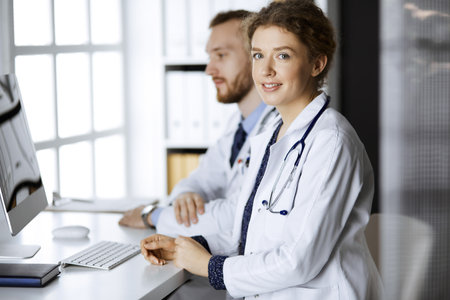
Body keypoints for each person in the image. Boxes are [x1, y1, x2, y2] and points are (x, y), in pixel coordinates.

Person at [140, 1, 383, 299]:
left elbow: (298, 261)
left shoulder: (331, 142)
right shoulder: (270, 134)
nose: (266, 70)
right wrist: (184, 247)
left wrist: (209, 266)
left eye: (282, 55)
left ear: (317, 64)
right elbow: (249, 234)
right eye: (258, 55)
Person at [119, 10, 277, 237]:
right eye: (210, 57)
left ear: (257, 56)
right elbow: (200, 179)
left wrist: (152, 216)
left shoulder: (280, 129)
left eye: (221, 55)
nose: (209, 69)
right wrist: (186, 196)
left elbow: (239, 216)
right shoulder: (238, 126)